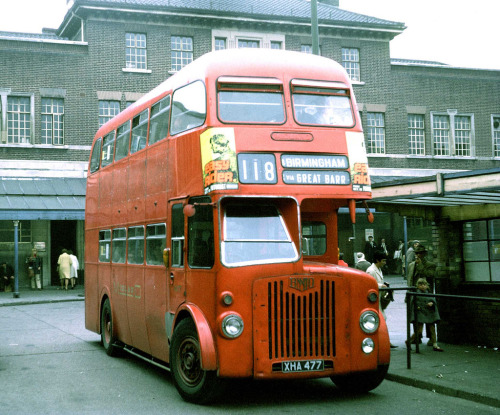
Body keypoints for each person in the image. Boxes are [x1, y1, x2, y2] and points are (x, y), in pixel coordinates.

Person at [366, 250, 397, 348]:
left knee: (382, 318)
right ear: (377, 260)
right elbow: (369, 284)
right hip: (374, 300)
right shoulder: (371, 270)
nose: (385, 262)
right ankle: (383, 341)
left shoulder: (378, 269)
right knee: (381, 319)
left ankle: (384, 340)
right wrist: (381, 285)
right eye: (383, 260)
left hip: (379, 298)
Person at [406, 278, 444, 352]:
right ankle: (409, 341)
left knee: (432, 329)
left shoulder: (428, 293)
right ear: (418, 286)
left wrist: (432, 303)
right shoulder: (416, 294)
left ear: (427, 285)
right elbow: (412, 304)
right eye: (420, 285)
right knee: (419, 331)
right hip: (420, 313)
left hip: (429, 313)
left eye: (424, 284)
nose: (422, 286)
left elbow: (433, 300)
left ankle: (435, 345)